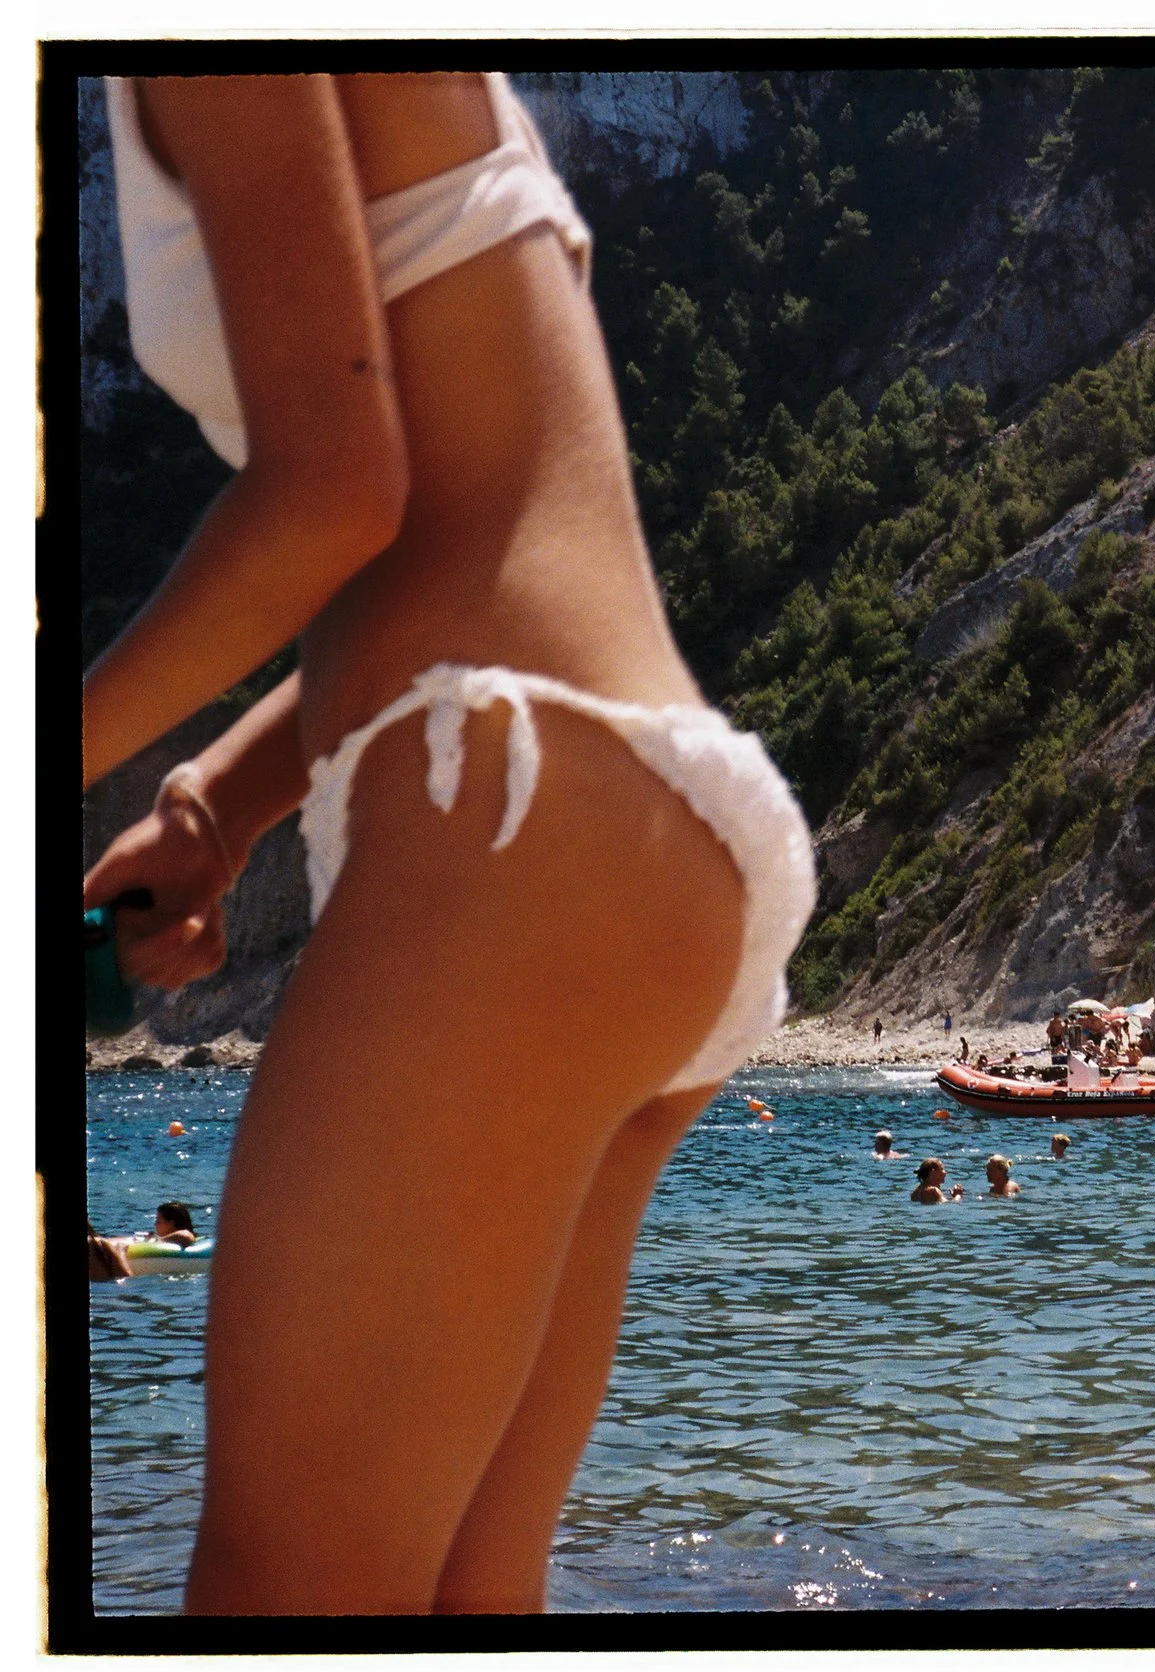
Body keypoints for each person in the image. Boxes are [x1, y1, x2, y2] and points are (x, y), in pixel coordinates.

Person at [78, 72, 817, 1615]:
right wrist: (217, 806)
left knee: (284, 1605)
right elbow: (466, 490)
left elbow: (337, 491)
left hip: (521, 825)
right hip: (641, 840)